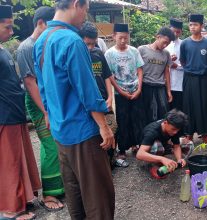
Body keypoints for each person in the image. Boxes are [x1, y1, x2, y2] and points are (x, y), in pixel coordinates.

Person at [33, 0, 115, 219]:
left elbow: (43, 86)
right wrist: (103, 126)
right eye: (86, 10)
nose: (85, 16)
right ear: (76, 4)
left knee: (74, 191)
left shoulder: (41, 41)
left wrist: (49, 114)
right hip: (83, 132)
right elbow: (87, 91)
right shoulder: (71, 41)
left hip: (60, 130)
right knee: (99, 194)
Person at [16, 6, 65, 212]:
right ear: (41, 24)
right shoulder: (27, 47)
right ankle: (49, 193)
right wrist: (45, 111)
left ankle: (60, 185)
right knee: (49, 145)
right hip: (37, 103)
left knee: (57, 142)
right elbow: (30, 83)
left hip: (48, 102)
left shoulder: (45, 43)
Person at [0, 5, 41, 220]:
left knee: (20, 159)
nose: (11, 31)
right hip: (4, 115)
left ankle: (21, 200)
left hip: (15, 113)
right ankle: (10, 210)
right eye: (7, 27)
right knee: (9, 163)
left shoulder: (3, 49)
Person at [105, 23, 146, 166]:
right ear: (114, 36)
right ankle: (122, 148)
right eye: (120, 38)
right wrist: (120, 91)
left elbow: (140, 69)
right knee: (123, 120)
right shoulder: (109, 54)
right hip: (120, 92)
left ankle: (136, 145)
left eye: (126, 38)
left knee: (137, 118)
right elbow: (109, 75)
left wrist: (139, 88)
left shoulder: (134, 51)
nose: (123, 41)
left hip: (135, 90)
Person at [79, 21, 117, 169]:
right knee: (95, 134)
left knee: (112, 128)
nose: (90, 47)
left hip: (104, 100)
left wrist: (110, 97)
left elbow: (107, 76)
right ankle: (97, 165)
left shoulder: (98, 53)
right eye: (87, 43)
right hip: (89, 103)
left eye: (93, 44)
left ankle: (110, 162)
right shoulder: (78, 57)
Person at [180, 14, 207, 143]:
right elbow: (183, 61)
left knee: (203, 105)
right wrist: (191, 69)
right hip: (189, 78)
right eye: (190, 25)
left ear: (201, 26)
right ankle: (188, 134)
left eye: (195, 25)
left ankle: (204, 133)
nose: (192, 27)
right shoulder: (185, 43)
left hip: (203, 79)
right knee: (188, 106)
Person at [136, 109, 192, 179]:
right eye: (173, 129)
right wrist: (162, 159)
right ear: (165, 123)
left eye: (177, 130)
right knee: (158, 146)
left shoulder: (175, 127)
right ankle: (152, 165)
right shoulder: (152, 131)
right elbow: (139, 154)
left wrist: (179, 159)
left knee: (189, 144)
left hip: (164, 145)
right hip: (149, 148)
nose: (175, 132)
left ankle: (172, 162)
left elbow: (176, 146)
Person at [138, 27, 175, 124]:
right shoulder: (142, 50)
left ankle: (160, 138)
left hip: (160, 88)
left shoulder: (166, 54)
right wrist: (138, 88)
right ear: (158, 37)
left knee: (162, 114)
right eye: (164, 42)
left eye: (168, 44)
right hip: (145, 87)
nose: (165, 45)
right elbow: (137, 70)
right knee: (146, 114)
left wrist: (168, 91)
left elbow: (167, 73)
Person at [166, 18, 184, 111]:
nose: (175, 34)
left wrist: (176, 66)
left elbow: (187, 65)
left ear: (181, 32)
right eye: (173, 31)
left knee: (178, 111)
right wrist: (169, 62)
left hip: (179, 84)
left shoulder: (184, 44)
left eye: (178, 32)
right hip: (165, 84)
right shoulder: (164, 44)